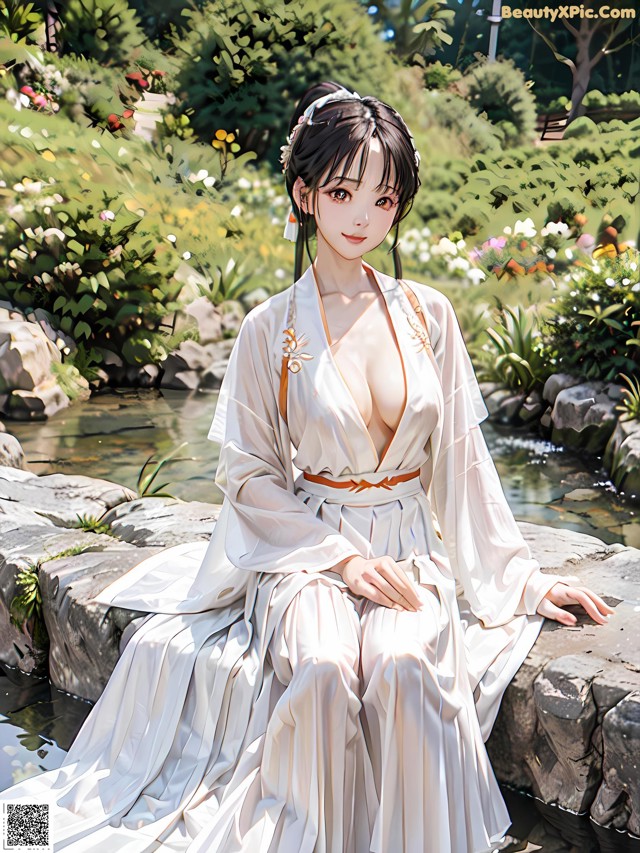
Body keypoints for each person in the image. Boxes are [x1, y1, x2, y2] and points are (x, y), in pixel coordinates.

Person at [0, 82, 614, 853]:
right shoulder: (267, 329)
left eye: (384, 198)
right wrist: (341, 559)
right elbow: (250, 476)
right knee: (323, 669)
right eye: (343, 191)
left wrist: (521, 580)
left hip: (404, 549)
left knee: (398, 668)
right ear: (305, 194)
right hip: (310, 547)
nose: (363, 216)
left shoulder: (430, 315)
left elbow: (460, 460)